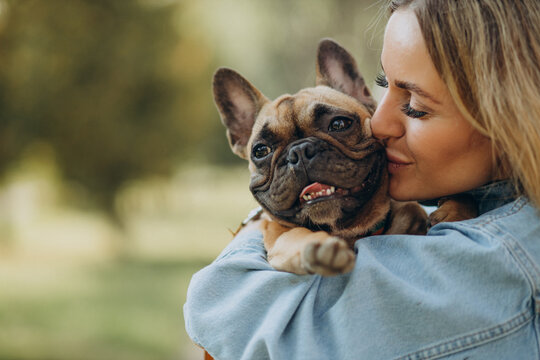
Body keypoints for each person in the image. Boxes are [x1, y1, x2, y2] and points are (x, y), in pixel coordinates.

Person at [184, 0, 540, 359]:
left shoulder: (496, 260)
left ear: (505, 111)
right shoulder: (469, 213)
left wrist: (258, 230)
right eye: (384, 86)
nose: (378, 123)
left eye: (416, 103)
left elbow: (219, 311)